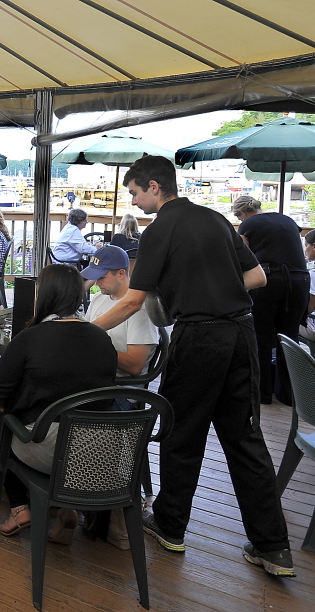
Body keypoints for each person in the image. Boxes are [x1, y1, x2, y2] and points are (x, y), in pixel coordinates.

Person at [92, 155, 294, 577]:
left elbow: (132, 300)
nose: (134, 201)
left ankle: (170, 526)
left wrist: (85, 333)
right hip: (241, 335)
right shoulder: (218, 219)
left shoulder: (159, 229)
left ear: (153, 186)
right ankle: (273, 548)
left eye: (134, 192)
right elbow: (256, 278)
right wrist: (216, 290)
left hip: (199, 337)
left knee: (182, 433)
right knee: (245, 439)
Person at [0, 264, 117, 543]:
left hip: (51, 449)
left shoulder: (31, 338)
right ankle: (67, 510)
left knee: (1, 424)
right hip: (99, 451)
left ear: (43, 295)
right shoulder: (102, 339)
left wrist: (6, 404)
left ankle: (20, 508)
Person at [232, 195, 309, 405]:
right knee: (289, 338)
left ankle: (263, 393)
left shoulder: (247, 224)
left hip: (269, 281)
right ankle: (289, 394)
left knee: (262, 339)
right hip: (300, 280)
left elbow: (242, 258)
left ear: (241, 213)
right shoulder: (286, 219)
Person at [81, 245, 159, 379]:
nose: (96, 283)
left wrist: (94, 348)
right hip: (97, 378)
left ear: (121, 274)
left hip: (120, 389)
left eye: (101, 277)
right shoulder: (99, 297)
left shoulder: (140, 309)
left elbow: (135, 366)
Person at [298, 230, 315, 347]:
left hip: (313, 329)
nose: (305, 250)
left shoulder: (313, 274)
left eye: (306, 246)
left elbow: (310, 307)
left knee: (281, 323)